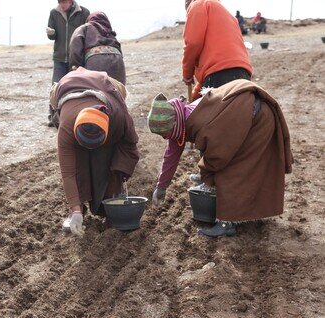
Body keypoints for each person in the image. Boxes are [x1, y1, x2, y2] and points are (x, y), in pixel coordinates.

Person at [148, 80, 293, 237]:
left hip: (257, 121)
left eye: (164, 134)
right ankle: (246, 213)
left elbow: (218, 157)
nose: (164, 138)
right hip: (243, 117)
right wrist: (161, 186)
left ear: (172, 125)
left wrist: (207, 177)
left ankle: (226, 222)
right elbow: (171, 154)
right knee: (220, 170)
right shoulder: (180, 119)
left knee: (230, 171)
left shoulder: (201, 123)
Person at [50, 67, 139, 236]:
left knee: (109, 164)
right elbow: (68, 173)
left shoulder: (119, 118)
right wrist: (75, 209)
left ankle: (112, 205)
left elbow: (130, 144)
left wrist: (121, 172)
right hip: (67, 87)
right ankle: (78, 210)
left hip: (106, 87)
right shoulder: (66, 128)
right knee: (79, 165)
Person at [182, 0, 253, 100]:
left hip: (220, 75)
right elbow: (213, 70)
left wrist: (187, 74)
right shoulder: (226, 13)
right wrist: (193, 97)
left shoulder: (198, 4)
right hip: (243, 73)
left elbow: (193, 43)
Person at [46, 0, 90, 127]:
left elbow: (87, 34)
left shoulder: (84, 13)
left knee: (76, 87)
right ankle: (53, 116)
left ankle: (77, 116)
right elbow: (52, 37)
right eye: (59, 2)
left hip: (76, 58)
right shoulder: (54, 13)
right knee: (56, 87)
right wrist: (51, 33)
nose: (61, 5)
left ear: (71, 1)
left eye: (63, 2)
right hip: (59, 58)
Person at [69, 11, 126, 85]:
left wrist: (76, 66)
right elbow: (119, 49)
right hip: (118, 62)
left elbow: (75, 47)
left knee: (95, 91)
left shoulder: (85, 28)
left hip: (96, 62)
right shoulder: (110, 32)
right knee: (116, 91)